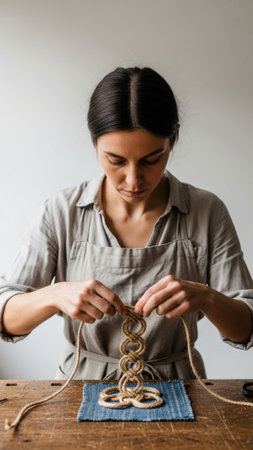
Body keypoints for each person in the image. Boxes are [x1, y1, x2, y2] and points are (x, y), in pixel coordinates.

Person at [0, 67, 253, 381]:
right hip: (79, 388)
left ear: (173, 138)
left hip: (184, 389)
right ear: (95, 144)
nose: (133, 180)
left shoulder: (207, 211)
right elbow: (5, 320)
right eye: (116, 161)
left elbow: (247, 330)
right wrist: (54, 295)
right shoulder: (60, 211)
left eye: (151, 159)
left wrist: (208, 298)